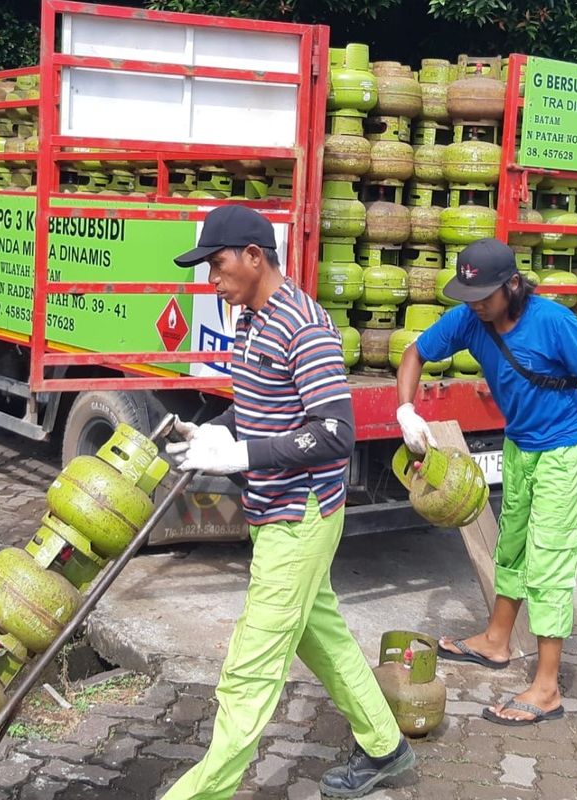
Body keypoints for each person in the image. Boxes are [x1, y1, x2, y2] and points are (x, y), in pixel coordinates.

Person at [163, 204, 414, 799]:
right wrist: (211, 430)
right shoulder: (251, 318)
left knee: (250, 669)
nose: (211, 280)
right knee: (318, 631)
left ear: (255, 256)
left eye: (217, 265)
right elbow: (258, 406)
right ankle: (385, 746)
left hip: (300, 513)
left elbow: (334, 431)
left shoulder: (305, 326)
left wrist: (242, 458)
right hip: (271, 510)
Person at [394, 238, 577, 726]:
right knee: (512, 546)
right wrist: (405, 409)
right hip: (519, 445)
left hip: (564, 450)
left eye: (484, 294)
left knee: (549, 561)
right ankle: (497, 642)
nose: (475, 304)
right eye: (468, 294)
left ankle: (547, 688)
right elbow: (415, 353)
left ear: (514, 285)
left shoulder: (553, 323)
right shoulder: (469, 319)